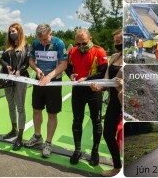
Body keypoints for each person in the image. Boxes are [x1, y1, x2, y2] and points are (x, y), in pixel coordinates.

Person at [24, 24, 68, 158]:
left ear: (51, 33)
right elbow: (31, 60)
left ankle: (48, 143)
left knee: (51, 113)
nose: (42, 42)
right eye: (40, 39)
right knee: (36, 109)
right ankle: (37, 136)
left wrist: (49, 77)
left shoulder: (59, 43)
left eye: (45, 39)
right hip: (39, 81)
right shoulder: (36, 43)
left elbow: (64, 64)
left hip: (53, 82)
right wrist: (37, 70)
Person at [65, 29, 108, 165]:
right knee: (77, 121)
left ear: (90, 39)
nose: (81, 47)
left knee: (96, 121)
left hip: (94, 91)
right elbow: (68, 67)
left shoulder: (99, 51)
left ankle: (95, 151)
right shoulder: (72, 52)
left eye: (84, 43)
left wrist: (87, 78)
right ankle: (77, 150)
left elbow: (103, 72)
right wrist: (70, 75)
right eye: (78, 44)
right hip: (78, 90)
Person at [90, 29, 122, 177]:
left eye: (120, 40)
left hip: (128, 102)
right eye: (115, 41)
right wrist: (99, 87)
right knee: (108, 134)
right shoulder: (114, 57)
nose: (118, 44)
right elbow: (107, 81)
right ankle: (117, 166)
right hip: (114, 101)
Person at [0, 23, 30, 150]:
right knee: (10, 105)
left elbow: (27, 63)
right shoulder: (7, 46)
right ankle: (14, 129)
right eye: (10, 32)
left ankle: (20, 137)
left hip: (21, 79)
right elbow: (1, 60)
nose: (12, 34)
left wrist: (19, 70)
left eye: (14, 31)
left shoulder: (27, 46)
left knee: (20, 107)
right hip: (8, 79)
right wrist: (6, 66)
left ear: (19, 31)